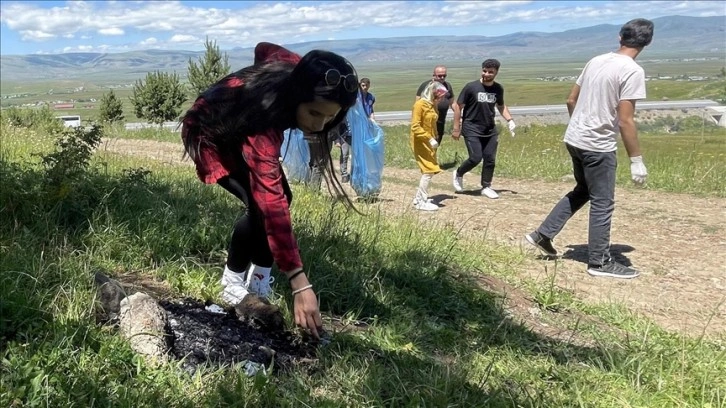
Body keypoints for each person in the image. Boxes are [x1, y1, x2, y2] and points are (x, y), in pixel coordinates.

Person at [180, 42, 359, 339]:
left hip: (240, 127)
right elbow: (270, 204)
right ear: (297, 95)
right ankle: (232, 282)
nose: (320, 124)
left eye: (330, 117)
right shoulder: (265, 123)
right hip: (210, 132)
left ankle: (260, 279)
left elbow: (265, 48)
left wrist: (261, 71)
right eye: (314, 113)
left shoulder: (297, 70)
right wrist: (299, 281)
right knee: (260, 204)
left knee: (282, 199)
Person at [524, 18, 654, 279]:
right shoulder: (632, 71)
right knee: (602, 203)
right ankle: (600, 262)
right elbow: (626, 119)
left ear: (620, 37)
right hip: (598, 145)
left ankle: (542, 234)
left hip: (574, 138)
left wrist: (581, 125)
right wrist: (636, 160)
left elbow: (571, 99)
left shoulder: (596, 60)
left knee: (583, 190)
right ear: (647, 43)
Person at [451, 59, 516, 199]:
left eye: (490, 72)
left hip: (489, 129)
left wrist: (510, 120)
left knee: (490, 159)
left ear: (496, 72)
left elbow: (501, 106)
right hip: (471, 127)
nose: (486, 74)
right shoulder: (471, 87)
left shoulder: (498, 89)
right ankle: (458, 173)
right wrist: (456, 128)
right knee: (475, 157)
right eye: (484, 71)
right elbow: (458, 107)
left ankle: (486, 186)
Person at [410, 82, 449, 211]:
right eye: (440, 96)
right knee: (428, 170)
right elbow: (415, 126)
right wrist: (429, 138)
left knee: (429, 170)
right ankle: (421, 201)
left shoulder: (433, 105)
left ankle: (419, 197)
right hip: (421, 141)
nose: (442, 99)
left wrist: (436, 136)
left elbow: (433, 123)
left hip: (430, 141)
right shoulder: (420, 104)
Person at [416, 65, 455, 144]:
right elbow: (417, 104)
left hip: (440, 121)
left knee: (436, 143)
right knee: (427, 144)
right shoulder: (426, 86)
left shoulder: (447, 86)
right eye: (440, 76)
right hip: (428, 122)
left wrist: (459, 115)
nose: (442, 78)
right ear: (434, 75)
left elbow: (453, 103)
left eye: (444, 76)